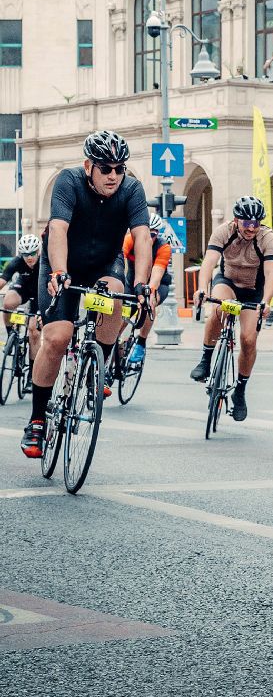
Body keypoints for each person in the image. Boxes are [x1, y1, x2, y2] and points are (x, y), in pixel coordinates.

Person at [21, 131, 153, 458]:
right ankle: (37, 420)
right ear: (88, 165)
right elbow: (59, 229)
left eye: (119, 168)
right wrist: (58, 272)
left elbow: (142, 237)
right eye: (106, 168)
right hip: (62, 261)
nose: (113, 175)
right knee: (58, 337)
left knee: (117, 296)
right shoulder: (68, 181)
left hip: (105, 263)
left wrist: (143, 284)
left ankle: (98, 367)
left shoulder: (132, 189)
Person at [189, 195, 273, 421]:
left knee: (248, 340)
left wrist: (266, 301)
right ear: (236, 220)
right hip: (227, 282)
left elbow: (271, 273)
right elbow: (209, 262)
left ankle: (240, 391)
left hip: (253, 289)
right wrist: (202, 289)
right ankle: (206, 360)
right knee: (219, 310)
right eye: (247, 223)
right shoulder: (223, 232)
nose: (251, 228)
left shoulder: (267, 238)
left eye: (256, 223)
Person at [123, 213, 173, 364]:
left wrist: (148, 292)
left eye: (152, 234)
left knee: (149, 302)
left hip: (157, 284)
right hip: (132, 283)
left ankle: (141, 343)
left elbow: (156, 277)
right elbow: (118, 260)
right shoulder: (130, 240)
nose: (148, 238)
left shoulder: (163, 247)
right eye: (145, 233)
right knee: (122, 315)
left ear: (157, 234)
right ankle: (111, 345)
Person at [1, 234, 44, 362]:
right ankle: (11, 334)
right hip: (23, 288)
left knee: (34, 330)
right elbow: (2, 281)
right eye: (25, 254)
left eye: (32, 253)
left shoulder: (44, 263)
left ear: (38, 251)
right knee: (7, 303)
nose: (29, 257)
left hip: (39, 295)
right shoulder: (17, 261)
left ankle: (32, 373)